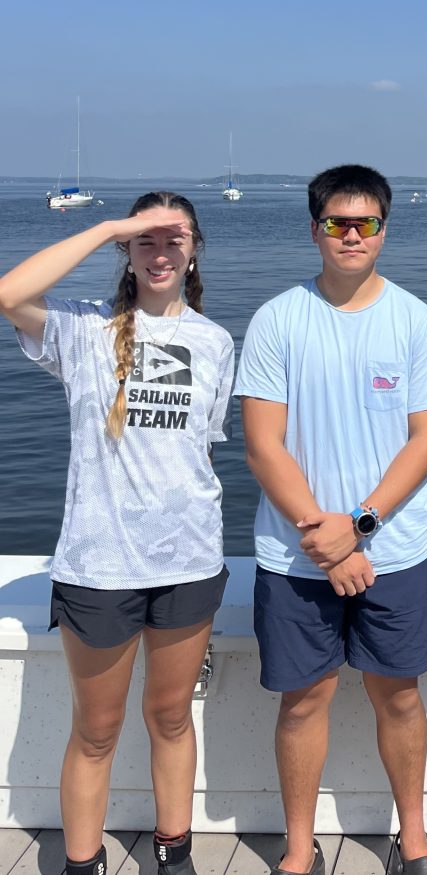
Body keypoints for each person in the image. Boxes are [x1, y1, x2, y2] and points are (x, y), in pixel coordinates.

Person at [235, 164, 427, 875]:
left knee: (400, 696)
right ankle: (300, 849)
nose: (352, 235)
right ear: (315, 230)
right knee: (304, 701)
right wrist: (326, 539)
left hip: (395, 552)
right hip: (295, 556)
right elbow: (262, 444)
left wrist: (358, 526)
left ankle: (413, 839)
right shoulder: (277, 319)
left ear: (384, 231)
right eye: (338, 222)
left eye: (366, 223)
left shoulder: (416, 320)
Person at [0, 192, 235, 875]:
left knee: (171, 718)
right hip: (98, 567)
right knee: (97, 731)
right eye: (144, 241)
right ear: (126, 252)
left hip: (189, 563)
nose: (160, 253)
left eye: (173, 239)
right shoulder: (84, 329)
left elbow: (201, 451)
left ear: (194, 250)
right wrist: (110, 224)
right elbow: (9, 293)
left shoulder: (216, 342)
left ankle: (174, 855)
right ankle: (83, 862)